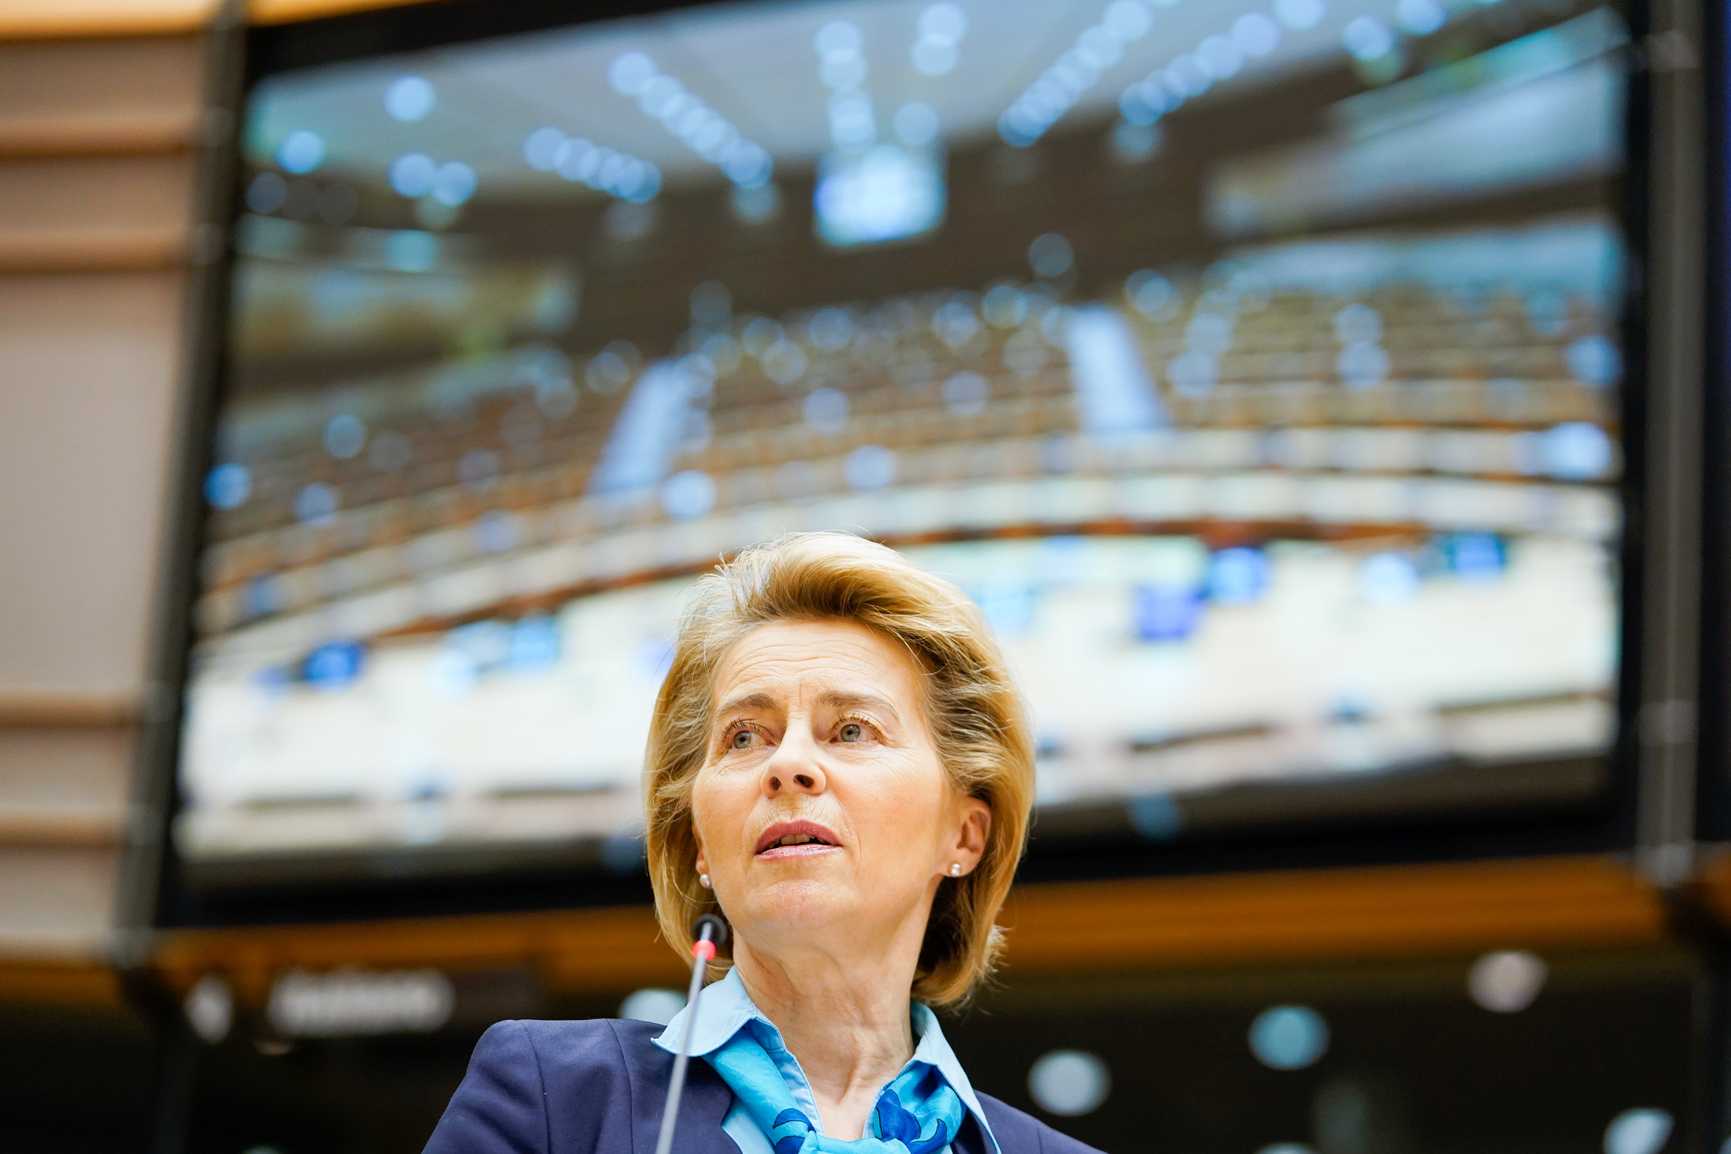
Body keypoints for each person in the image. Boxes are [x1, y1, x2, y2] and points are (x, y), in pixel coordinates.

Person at [423, 531, 1103, 1153]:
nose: (788, 764)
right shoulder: (554, 1099)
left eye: (852, 729)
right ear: (699, 839)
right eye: (744, 736)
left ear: (964, 834)